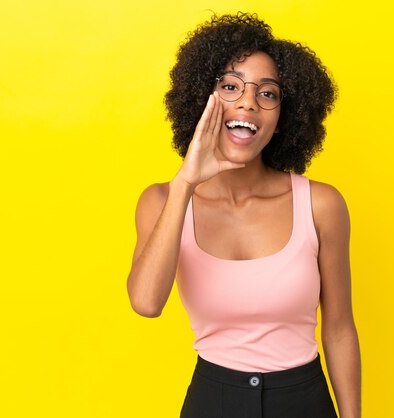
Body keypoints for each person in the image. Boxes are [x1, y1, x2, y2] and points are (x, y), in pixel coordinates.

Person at [126, 12, 361, 418]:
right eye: (230, 87)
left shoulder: (321, 205)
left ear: (283, 116)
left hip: (304, 401)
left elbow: (339, 329)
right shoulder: (162, 201)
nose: (248, 101)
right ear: (203, 98)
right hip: (213, 401)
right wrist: (185, 183)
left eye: (267, 93)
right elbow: (146, 302)